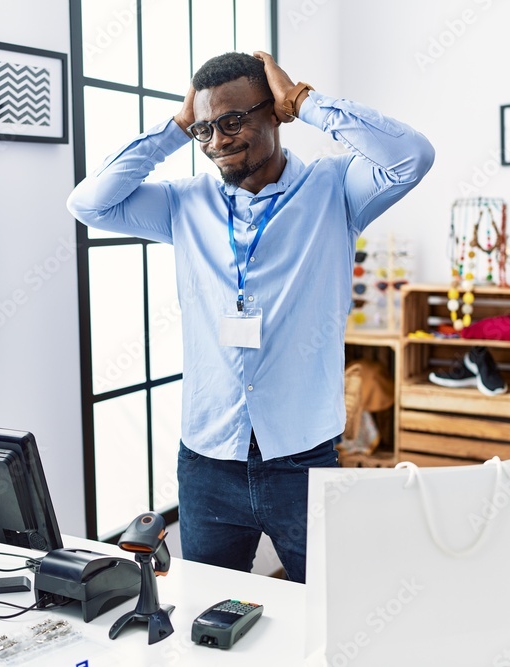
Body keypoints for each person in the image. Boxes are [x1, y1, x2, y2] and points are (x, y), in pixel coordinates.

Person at [67, 51, 434, 583]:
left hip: (303, 460)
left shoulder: (336, 191)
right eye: (206, 129)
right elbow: (89, 203)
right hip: (207, 463)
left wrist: (306, 101)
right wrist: (175, 128)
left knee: (330, 615)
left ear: (274, 113)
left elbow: (412, 156)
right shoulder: (182, 204)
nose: (218, 140)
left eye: (234, 120)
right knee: (209, 621)